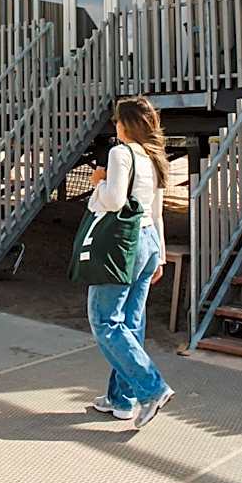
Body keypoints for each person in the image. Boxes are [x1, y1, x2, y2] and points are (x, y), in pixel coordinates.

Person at [87, 95, 173, 428]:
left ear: (127, 124)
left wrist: (98, 183)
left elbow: (113, 200)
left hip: (125, 245)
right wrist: (160, 255)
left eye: (118, 121)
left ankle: (153, 389)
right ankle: (121, 400)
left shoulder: (120, 153)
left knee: (105, 321)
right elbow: (157, 211)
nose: (115, 126)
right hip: (148, 241)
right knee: (131, 323)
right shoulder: (154, 157)